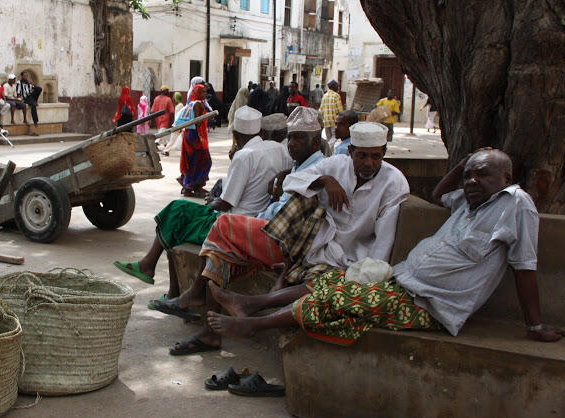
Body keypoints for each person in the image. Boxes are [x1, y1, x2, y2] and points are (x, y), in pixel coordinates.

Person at [205, 149, 565, 347]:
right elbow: (441, 195)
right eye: (469, 174)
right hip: (405, 282)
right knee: (328, 282)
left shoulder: (515, 204)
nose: (472, 181)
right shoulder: (471, 202)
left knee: (335, 300)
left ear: (506, 179)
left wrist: (534, 326)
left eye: (482, 174)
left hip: (432, 304)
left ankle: (254, 325)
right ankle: (253, 303)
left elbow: (524, 265)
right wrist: (460, 167)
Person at [163, 120, 409, 354]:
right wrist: (324, 180)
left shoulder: (393, 183)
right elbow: (292, 181)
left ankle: (219, 308)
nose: (369, 163)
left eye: (376, 156)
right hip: (308, 244)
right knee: (225, 238)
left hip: (350, 259)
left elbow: (383, 244)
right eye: (362, 156)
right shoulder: (336, 165)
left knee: (224, 232)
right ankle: (211, 321)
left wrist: (366, 277)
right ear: (351, 151)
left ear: (384, 153)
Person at [113, 106, 292, 300]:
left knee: (177, 214)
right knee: (178, 212)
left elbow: (225, 203)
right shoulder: (281, 150)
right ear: (260, 132)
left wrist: (211, 202)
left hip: (235, 224)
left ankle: (153, 270)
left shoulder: (244, 156)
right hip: (257, 221)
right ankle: (158, 275)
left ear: (235, 134)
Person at [178, 83, 212, 197]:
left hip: (190, 135)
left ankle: (190, 185)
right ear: (197, 93)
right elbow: (197, 121)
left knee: (193, 161)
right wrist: (209, 116)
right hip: (195, 137)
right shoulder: (197, 104)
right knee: (202, 161)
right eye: (202, 92)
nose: (205, 94)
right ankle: (193, 185)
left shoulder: (191, 103)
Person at [17, 71, 41, 136]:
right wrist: (19, 99)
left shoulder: (28, 83)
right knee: (33, 105)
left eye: (26, 76)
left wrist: (33, 84)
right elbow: (18, 93)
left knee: (39, 88)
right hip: (24, 98)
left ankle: (34, 101)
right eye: (24, 76)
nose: (26, 77)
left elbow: (33, 88)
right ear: (22, 76)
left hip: (29, 96)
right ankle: (35, 122)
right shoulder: (19, 83)